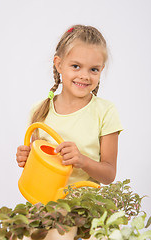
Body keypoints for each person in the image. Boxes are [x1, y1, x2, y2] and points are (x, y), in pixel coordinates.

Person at [16, 24, 123, 186]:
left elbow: (109, 175)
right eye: (76, 66)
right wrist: (27, 157)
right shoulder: (39, 110)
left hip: (85, 208)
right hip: (44, 205)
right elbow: (37, 166)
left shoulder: (105, 111)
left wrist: (82, 160)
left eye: (93, 69)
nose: (84, 76)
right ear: (59, 64)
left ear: (101, 69)